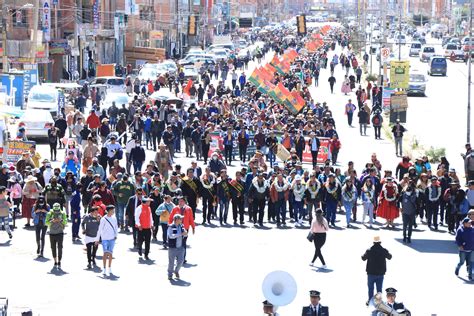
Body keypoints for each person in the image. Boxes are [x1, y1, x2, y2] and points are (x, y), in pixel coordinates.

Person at [361, 236, 392, 305]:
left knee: (370, 288)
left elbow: (363, 258)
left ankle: (370, 301)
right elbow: (390, 257)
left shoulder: (369, 250)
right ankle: (378, 302)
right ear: (380, 242)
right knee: (379, 289)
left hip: (371, 273)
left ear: (373, 242)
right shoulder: (384, 250)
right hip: (380, 273)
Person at [168, 195, 195, 263]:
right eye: (179, 201)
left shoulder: (188, 209)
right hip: (176, 227)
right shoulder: (175, 209)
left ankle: (182, 258)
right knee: (177, 242)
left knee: (183, 243)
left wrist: (193, 227)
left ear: (184, 202)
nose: (180, 202)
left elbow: (191, 218)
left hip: (184, 228)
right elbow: (171, 218)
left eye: (182, 201)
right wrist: (170, 225)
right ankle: (177, 256)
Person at [97, 205, 118, 277]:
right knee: (105, 254)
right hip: (105, 239)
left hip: (112, 239)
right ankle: (104, 269)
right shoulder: (103, 219)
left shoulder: (114, 218)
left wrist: (116, 235)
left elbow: (116, 227)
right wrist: (97, 239)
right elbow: (99, 229)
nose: (113, 211)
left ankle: (110, 268)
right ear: (108, 210)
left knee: (111, 254)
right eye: (112, 210)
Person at [45, 203, 67, 270]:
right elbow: (46, 223)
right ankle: (55, 261)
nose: (56, 213)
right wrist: (52, 221)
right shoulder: (49, 213)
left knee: (60, 247)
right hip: (52, 233)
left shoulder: (63, 213)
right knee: (53, 248)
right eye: (55, 211)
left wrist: (60, 220)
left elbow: (65, 222)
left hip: (60, 233)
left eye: (57, 211)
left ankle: (59, 261)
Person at [167, 213, 187, 280]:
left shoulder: (181, 226)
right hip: (172, 248)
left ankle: (176, 271)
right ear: (176, 220)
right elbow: (171, 236)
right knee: (171, 262)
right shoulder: (171, 227)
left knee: (181, 261)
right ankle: (170, 274)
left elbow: (185, 234)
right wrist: (180, 234)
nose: (181, 219)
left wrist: (185, 233)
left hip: (181, 247)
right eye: (180, 218)